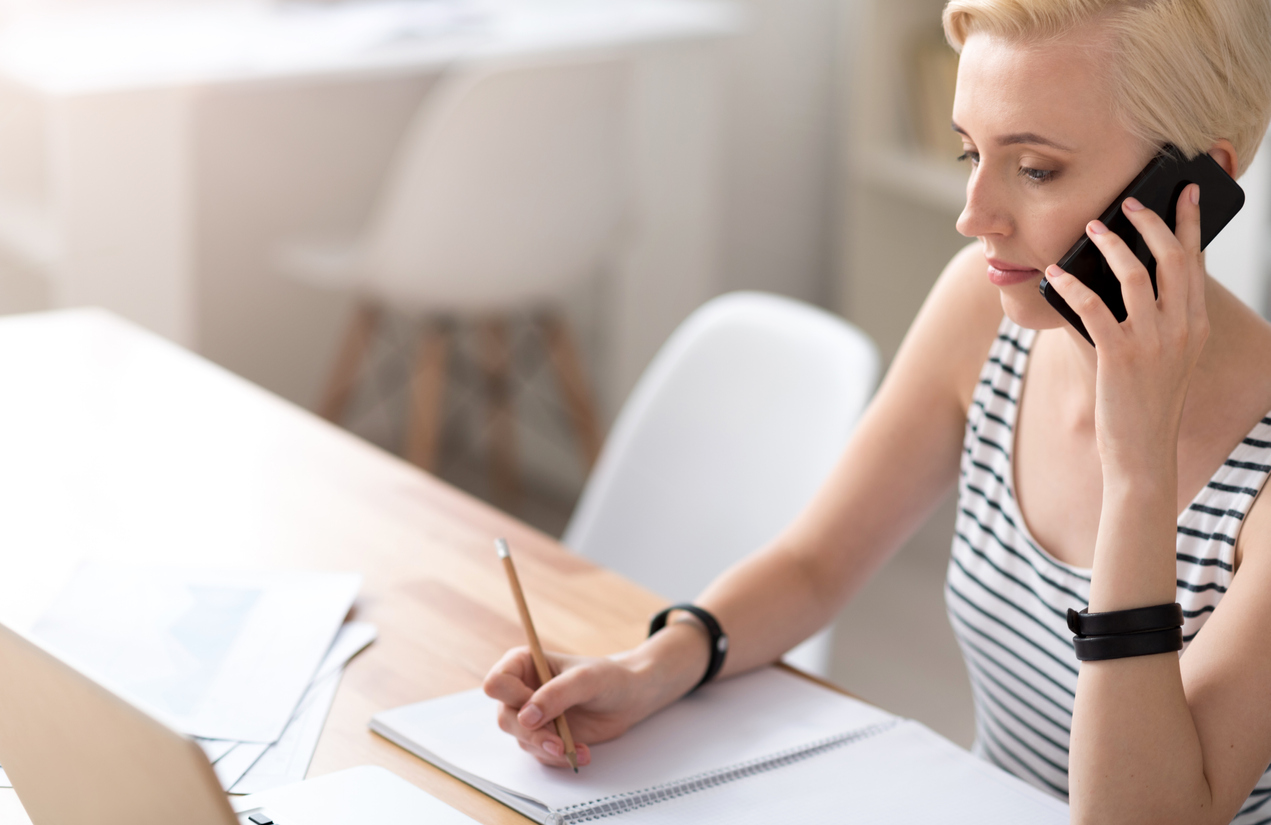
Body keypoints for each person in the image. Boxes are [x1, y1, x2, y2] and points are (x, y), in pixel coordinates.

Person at [483, 1, 1271, 821]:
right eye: (970, 151)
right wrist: (653, 667)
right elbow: (815, 564)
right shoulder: (984, 308)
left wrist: (1137, 475)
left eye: (1034, 168)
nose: (972, 216)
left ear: (1194, 184)